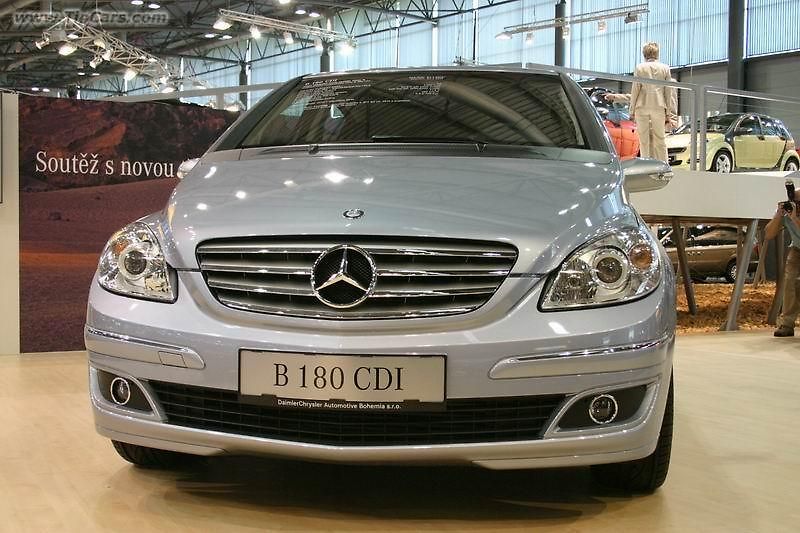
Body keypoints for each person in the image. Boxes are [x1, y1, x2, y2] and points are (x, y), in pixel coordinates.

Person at [628, 42, 672, 162]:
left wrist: (631, 110)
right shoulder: (665, 68)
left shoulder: (639, 68)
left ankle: (646, 165)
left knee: (644, 140)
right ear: (657, 53)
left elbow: (635, 89)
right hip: (659, 105)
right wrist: (668, 112)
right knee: (660, 139)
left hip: (641, 106)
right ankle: (664, 165)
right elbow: (668, 92)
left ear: (644, 54)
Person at [765, 193, 800, 336]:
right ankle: (787, 324)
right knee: (789, 285)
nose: (794, 205)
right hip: (797, 250)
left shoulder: (793, 216)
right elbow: (769, 234)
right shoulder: (788, 214)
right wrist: (778, 215)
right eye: (793, 201)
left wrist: (795, 219)